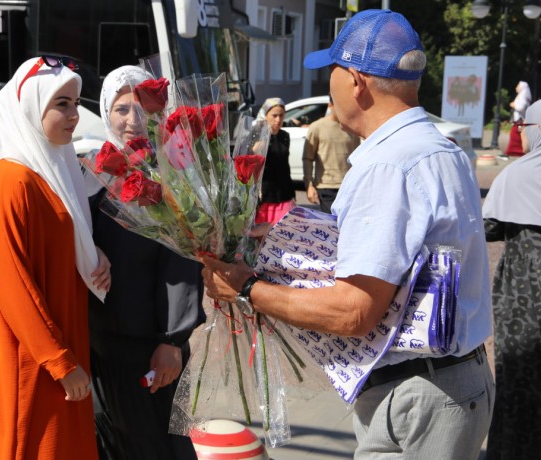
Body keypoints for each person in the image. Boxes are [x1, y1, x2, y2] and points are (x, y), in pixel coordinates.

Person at [199, 10, 494, 458]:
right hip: (448, 383)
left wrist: (248, 288)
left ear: (356, 80)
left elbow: (355, 312)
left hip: (418, 395)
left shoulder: (387, 165)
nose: (328, 84)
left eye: (332, 70)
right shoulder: (438, 147)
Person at [0, 56, 112, 459]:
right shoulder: (11, 181)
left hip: (62, 344)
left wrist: (93, 251)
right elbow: (12, 285)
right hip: (35, 361)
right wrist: (60, 362)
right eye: (62, 104)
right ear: (31, 109)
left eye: (75, 102)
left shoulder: (52, 167)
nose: (75, 115)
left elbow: (61, 233)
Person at [87, 65, 205, 460]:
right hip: (103, 344)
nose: (133, 120)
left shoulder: (175, 174)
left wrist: (173, 340)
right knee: (114, 444)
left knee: (163, 444)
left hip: (155, 347)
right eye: (121, 109)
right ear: (106, 112)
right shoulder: (91, 172)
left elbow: (183, 263)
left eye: (143, 108)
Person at [481, 97, 541, 460]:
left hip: (525, 294)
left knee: (521, 375)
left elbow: (490, 227)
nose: (521, 133)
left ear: (540, 129)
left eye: (524, 126)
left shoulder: (520, 174)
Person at [303, 95, 360, 213]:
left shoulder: (351, 127)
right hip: (326, 186)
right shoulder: (317, 127)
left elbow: (357, 159)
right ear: (330, 105)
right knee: (331, 226)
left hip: (348, 186)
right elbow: (308, 157)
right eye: (339, 105)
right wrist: (309, 185)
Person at [254, 97, 296, 225]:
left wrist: (292, 193)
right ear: (265, 115)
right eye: (274, 115)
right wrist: (259, 144)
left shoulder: (284, 136)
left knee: (281, 234)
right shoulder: (256, 134)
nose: (278, 120)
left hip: (283, 195)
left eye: (281, 116)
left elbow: (285, 165)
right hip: (264, 196)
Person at [504, 81, 532, 158]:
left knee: (515, 135)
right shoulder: (524, 95)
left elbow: (520, 107)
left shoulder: (522, 96)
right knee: (518, 136)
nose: (516, 88)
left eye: (518, 86)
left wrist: (513, 105)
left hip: (519, 121)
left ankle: (511, 152)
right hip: (520, 121)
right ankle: (515, 152)